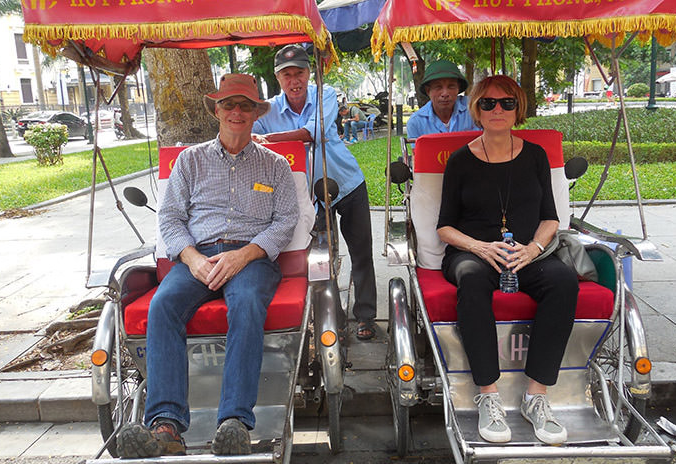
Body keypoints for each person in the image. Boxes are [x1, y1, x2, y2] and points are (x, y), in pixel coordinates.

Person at [116, 73, 299, 458]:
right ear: (216, 110)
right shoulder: (190, 159)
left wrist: (243, 255)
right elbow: (169, 219)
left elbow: (285, 221)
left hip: (250, 258)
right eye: (229, 104)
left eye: (245, 106)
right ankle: (165, 425)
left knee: (247, 303)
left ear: (255, 114)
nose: (236, 112)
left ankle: (234, 422)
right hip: (196, 257)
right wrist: (193, 259)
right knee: (163, 305)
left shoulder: (276, 165)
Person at [436, 75, 578, 445]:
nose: (497, 110)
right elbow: (445, 227)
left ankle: (536, 396)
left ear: (518, 109)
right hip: (473, 253)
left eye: (507, 103)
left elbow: (551, 218)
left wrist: (532, 248)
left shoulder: (535, 156)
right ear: (477, 110)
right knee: (471, 278)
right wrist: (482, 248)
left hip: (526, 254)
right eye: (488, 103)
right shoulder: (461, 161)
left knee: (562, 280)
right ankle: (488, 394)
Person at [252, 44, 378, 341]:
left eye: (299, 73)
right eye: (287, 75)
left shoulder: (327, 94)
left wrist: (266, 139)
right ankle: (334, 318)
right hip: (309, 197)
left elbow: (313, 133)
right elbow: (246, 132)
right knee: (322, 259)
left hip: (346, 184)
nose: (294, 81)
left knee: (361, 253)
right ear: (277, 78)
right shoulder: (268, 109)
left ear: (310, 74)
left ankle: (366, 316)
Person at [406, 59, 479, 139]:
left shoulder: (475, 108)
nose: (445, 94)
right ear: (428, 91)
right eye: (438, 87)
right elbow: (418, 151)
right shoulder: (416, 122)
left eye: (451, 86)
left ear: (458, 88)